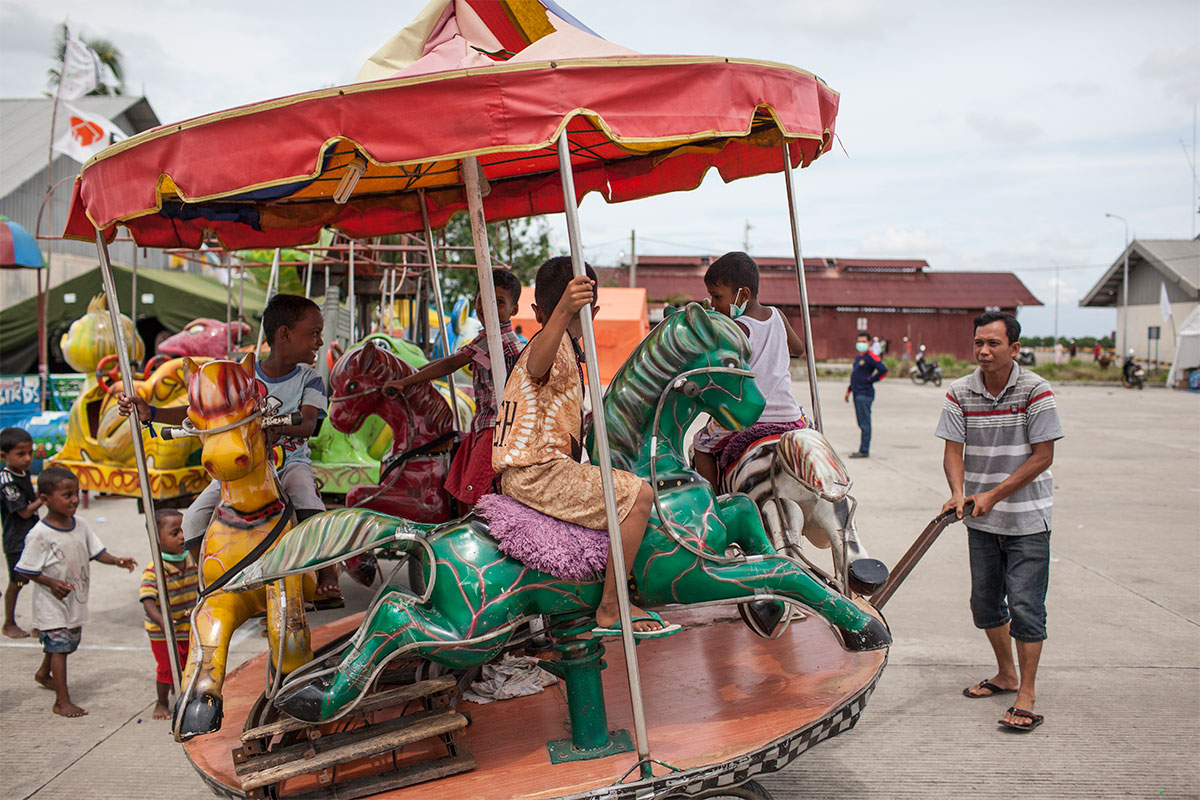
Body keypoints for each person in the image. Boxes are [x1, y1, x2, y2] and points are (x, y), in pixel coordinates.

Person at [493, 256, 677, 639]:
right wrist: (563, 313)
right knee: (639, 496)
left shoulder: (568, 347)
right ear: (592, 311)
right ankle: (613, 606)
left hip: (536, 466)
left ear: (534, 308)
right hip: (536, 472)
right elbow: (537, 366)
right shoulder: (551, 343)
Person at [120, 294, 339, 598]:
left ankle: (326, 572)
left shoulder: (310, 379)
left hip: (288, 462)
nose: (320, 341)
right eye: (314, 333)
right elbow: (200, 410)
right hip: (242, 467)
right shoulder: (237, 375)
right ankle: (210, 582)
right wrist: (153, 413)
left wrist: (270, 426)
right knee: (194, 517)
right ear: (285, 334)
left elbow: (308, 424)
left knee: (307, 498)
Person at [936, 310, 1063, 733]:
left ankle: (1026, 692)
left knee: (1026, 606)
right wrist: (958, 492)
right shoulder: (960, 392)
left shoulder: (1035, 391)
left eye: (993, 343)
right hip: (981, 521)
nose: (984, 351)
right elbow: (953, 451)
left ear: (1014, 348)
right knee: (986, 605)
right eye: (978, 343)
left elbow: (1043, 456)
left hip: (1027, 520)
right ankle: (1006, 674)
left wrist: (991, 494)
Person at [384, 270, 524, 505]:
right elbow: (452, 357)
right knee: (461, 483)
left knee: (475, 495)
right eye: (482, 299)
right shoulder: (487, 337)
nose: (486, 307)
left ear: (514, 309)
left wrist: (406, 382)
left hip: (495, 429)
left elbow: (451, 363)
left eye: (498, 302)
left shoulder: (499, 341)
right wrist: (412, 374)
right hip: (484, 426)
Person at [15, 467, 136, 717]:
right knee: (60, 647)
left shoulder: (79, 524)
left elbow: (96, 550)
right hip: (52, 603)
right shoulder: (39, 534)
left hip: (75, 600)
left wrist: (116, 561)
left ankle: (43, 673)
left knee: (67, 643)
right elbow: (25, 569)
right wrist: (50, 582)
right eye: (67, 495)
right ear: (46, 500)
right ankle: (62, 700)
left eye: (76, 494)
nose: (74, 500)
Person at [692, 251, 808, 485]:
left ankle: (713, 501)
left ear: (742, 294)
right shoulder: (778, 316)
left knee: (700, 443)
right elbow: (798, 349)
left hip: (749, 418)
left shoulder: (736, 329)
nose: (714, 304)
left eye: (717, 297)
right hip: (789, 415)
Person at [139, 509, 198, 720]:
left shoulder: (192, 559)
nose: (182, 536)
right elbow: (147, 600)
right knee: (166, 668)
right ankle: (161, 702)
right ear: (156, 538)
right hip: (162, 631)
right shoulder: (155, 569)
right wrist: (161, 620)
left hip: (187, 627)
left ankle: (187, 694)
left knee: (190, 664)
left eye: (183, 531)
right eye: (175, 533)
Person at [2, 427, 42, 638]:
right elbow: (24, 512)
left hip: (32, 536)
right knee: (17, 582)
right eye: (21, 454)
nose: (27, 459)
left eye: (30, 453)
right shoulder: (6, 481)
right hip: (16, 540)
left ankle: (41, 623)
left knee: (42, 579)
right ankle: (8, 623)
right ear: (3, 456)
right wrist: (44, 499)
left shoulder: (23, 473)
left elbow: (29, 497)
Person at [845, 331, 888, 458]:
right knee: (861, 422)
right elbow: (855, 376)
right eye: (859, 341)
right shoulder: (859, 357)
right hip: (856, 392)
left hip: (865, 393)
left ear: (869, 343)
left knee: (865, 423)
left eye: (863, 342)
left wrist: (870, 380)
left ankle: (864, 450)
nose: (860, 344)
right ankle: (863, 448)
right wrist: (849, 390)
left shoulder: (871, 357)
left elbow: (883, 371)